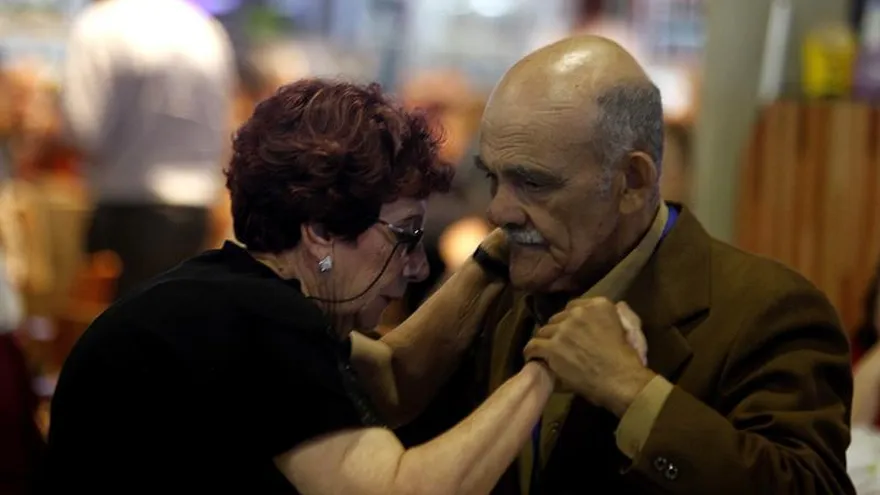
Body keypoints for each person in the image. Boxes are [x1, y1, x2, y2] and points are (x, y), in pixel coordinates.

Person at [38, 79, 646, 494]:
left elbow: (392, 379)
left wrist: (494, 258)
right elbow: (399, 490)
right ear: (322, 231)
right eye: (404, 236)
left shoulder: (225, 296)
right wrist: (553, 365)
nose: (414, 267)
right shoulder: (258, 321)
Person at [399, 35, 854, 494]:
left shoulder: (770, 311)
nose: (499, 211)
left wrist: (633, 391)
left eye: (533, 183)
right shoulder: (500, 285)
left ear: (632, 182)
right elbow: (391, 442)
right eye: (493, 178)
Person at [61, 0, 235, 299]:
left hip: (127, 213)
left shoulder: (100, 26)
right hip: (195, 214)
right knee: (176, 329)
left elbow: (83, 130)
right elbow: (225, 128)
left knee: (119, 337)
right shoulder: (205, 30)